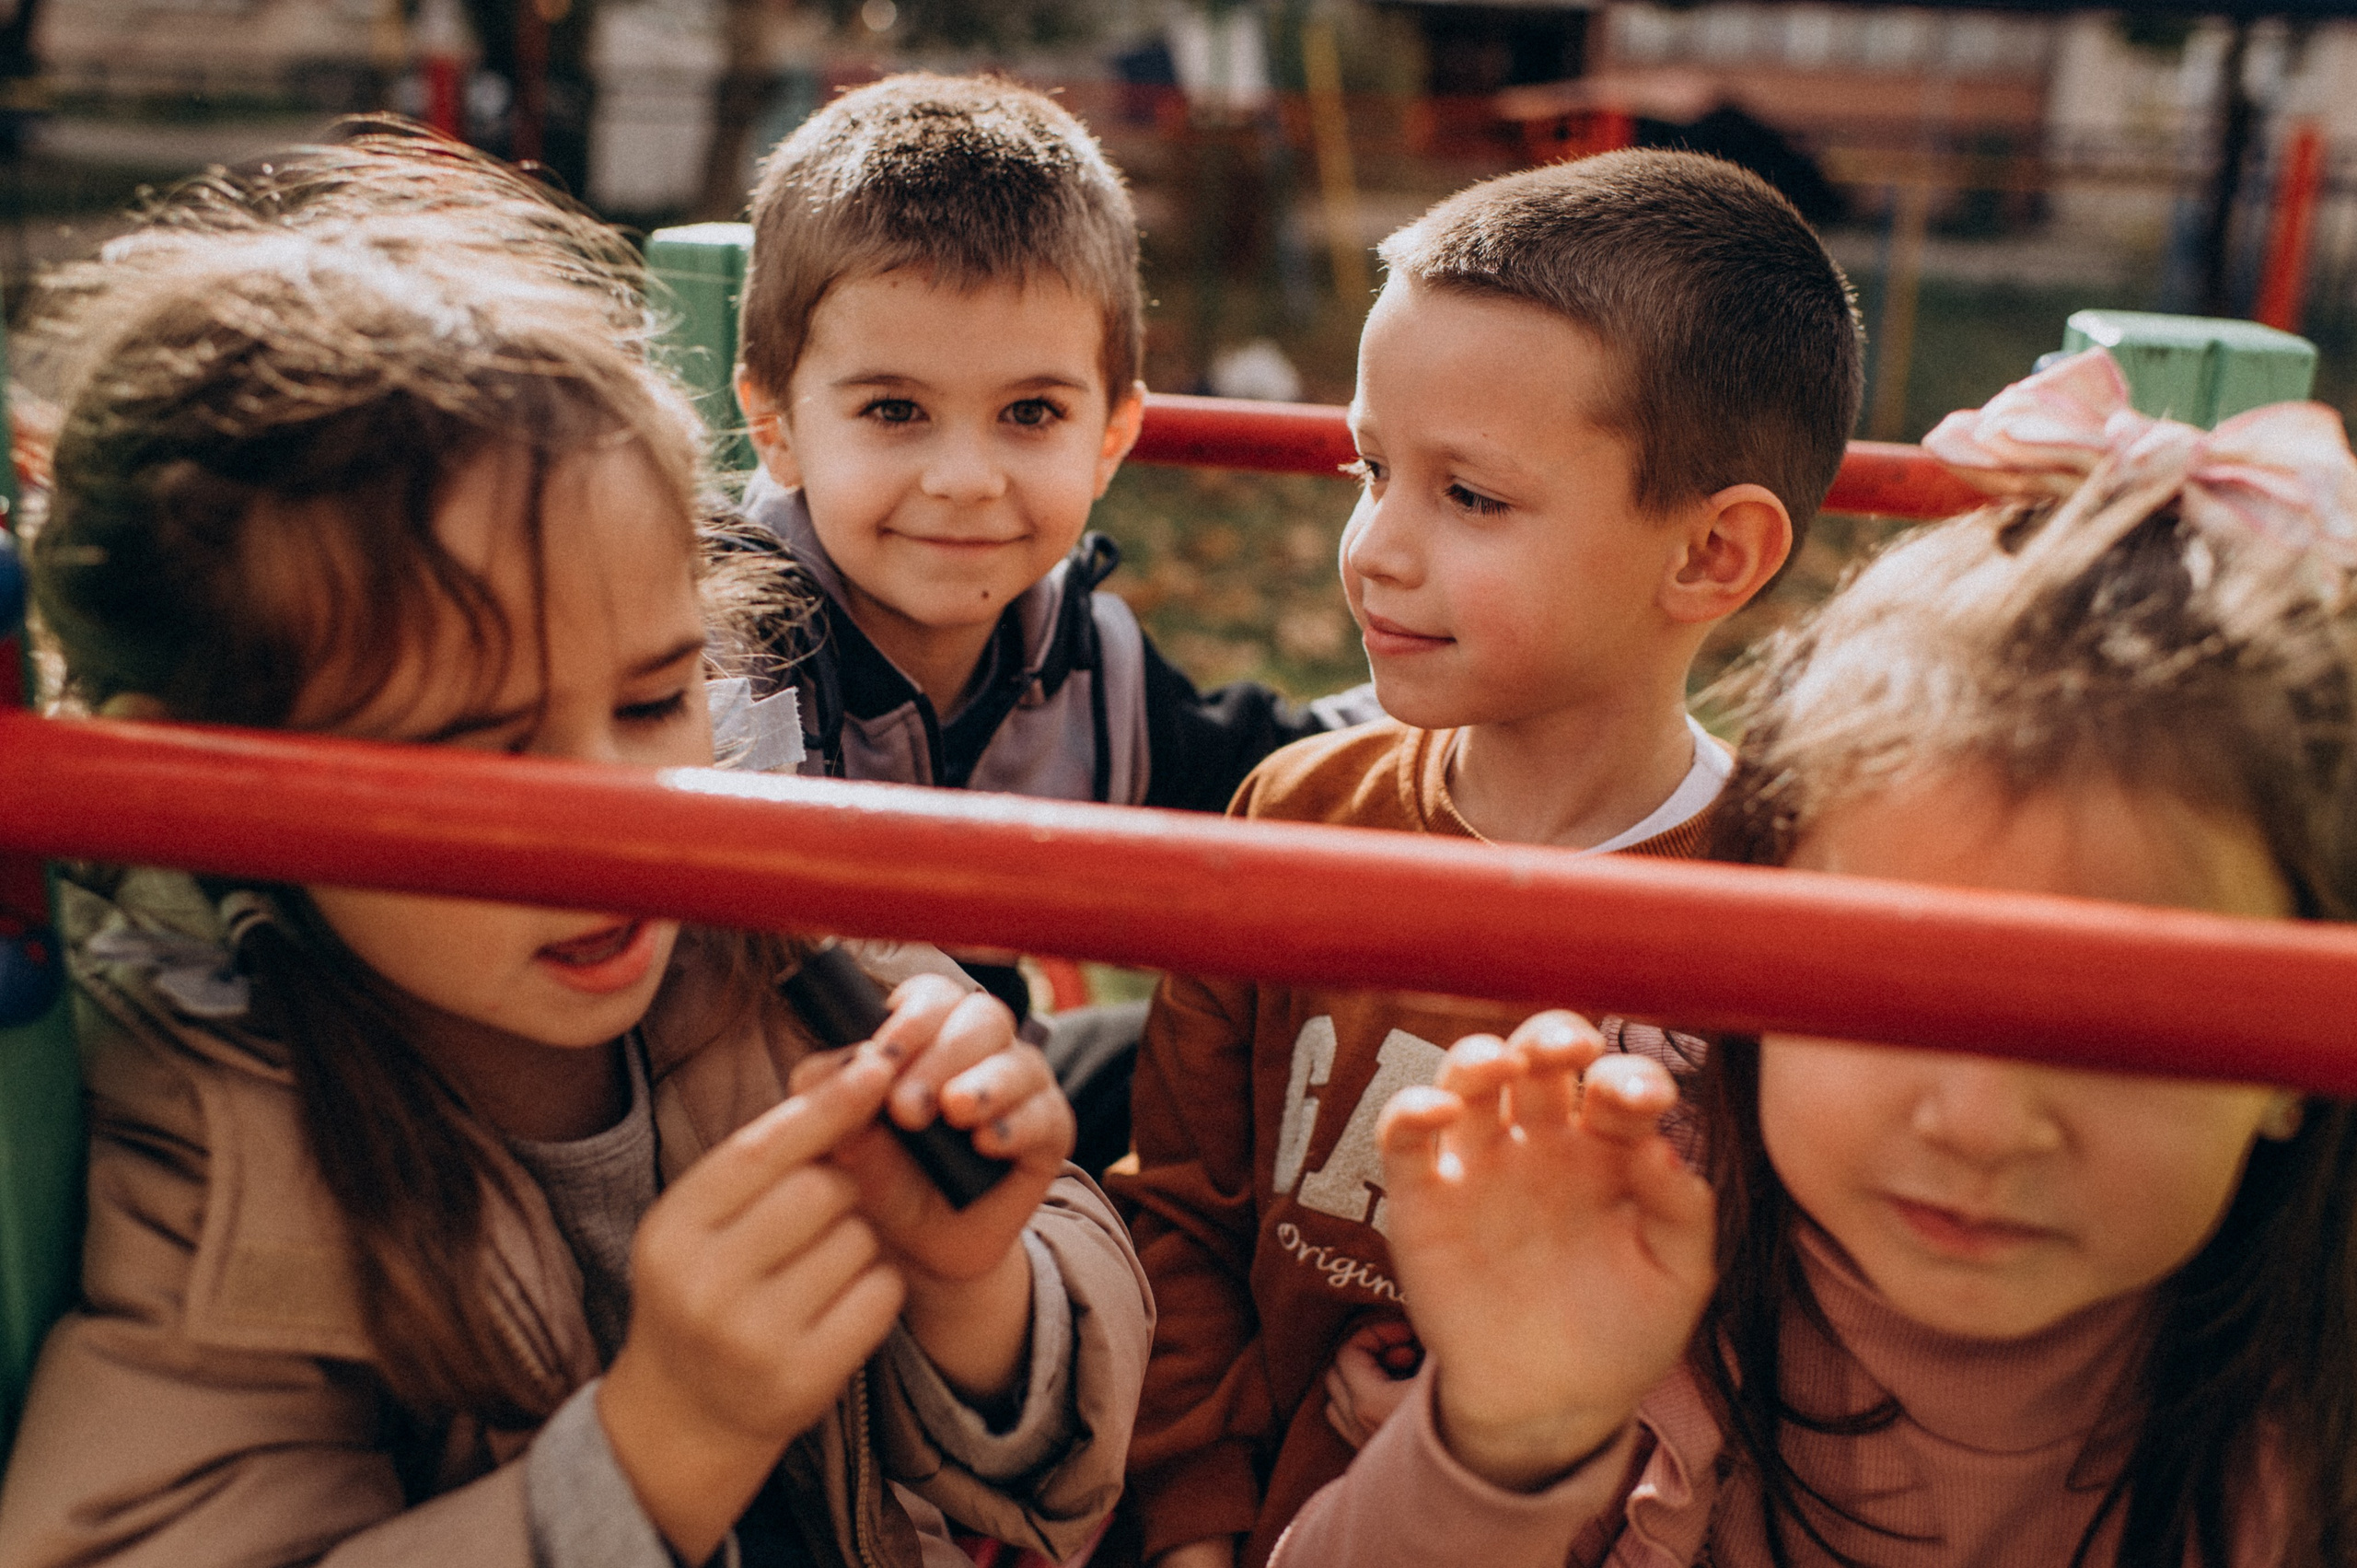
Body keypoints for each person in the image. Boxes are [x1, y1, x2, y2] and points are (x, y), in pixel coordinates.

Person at [0, 135, 1150, 1568]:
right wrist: (667, 1439)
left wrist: (978, 1281)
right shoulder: (216, 1130)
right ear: (195, 779)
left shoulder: (785, 939)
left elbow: (1071, 1451)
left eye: (651, 696)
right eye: (485, 746)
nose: (616, 812)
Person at [1271, 346, 2357, 1566]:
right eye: (1886, 991)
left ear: (2297, 1052)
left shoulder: (2308, 1434)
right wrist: (1506, 1434)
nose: (1983, 1122)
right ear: (1754, 974)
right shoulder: (1642, 1288)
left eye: (2111, 1021)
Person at [1115, 149, 1865, 1568]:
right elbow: (1182, 1210)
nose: (1373, 550)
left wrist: (1503, 1416)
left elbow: (1792, 1328)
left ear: (1712, 554)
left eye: (1470, 498)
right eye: (1371, 468)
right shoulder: (1297, 815)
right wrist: (1194, 1525)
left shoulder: (1776, 908)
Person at [726, 72, 1379, 1074]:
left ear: (1112, 435)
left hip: (990, 1089)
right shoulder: (735, 646)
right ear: (776, 426)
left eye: (1030, 412)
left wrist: (1484, 703)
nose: (965, 480)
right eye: (894, 409)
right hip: (774, 1112)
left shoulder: (1080, 656)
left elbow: (1277, 776)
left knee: (1243, 1061)